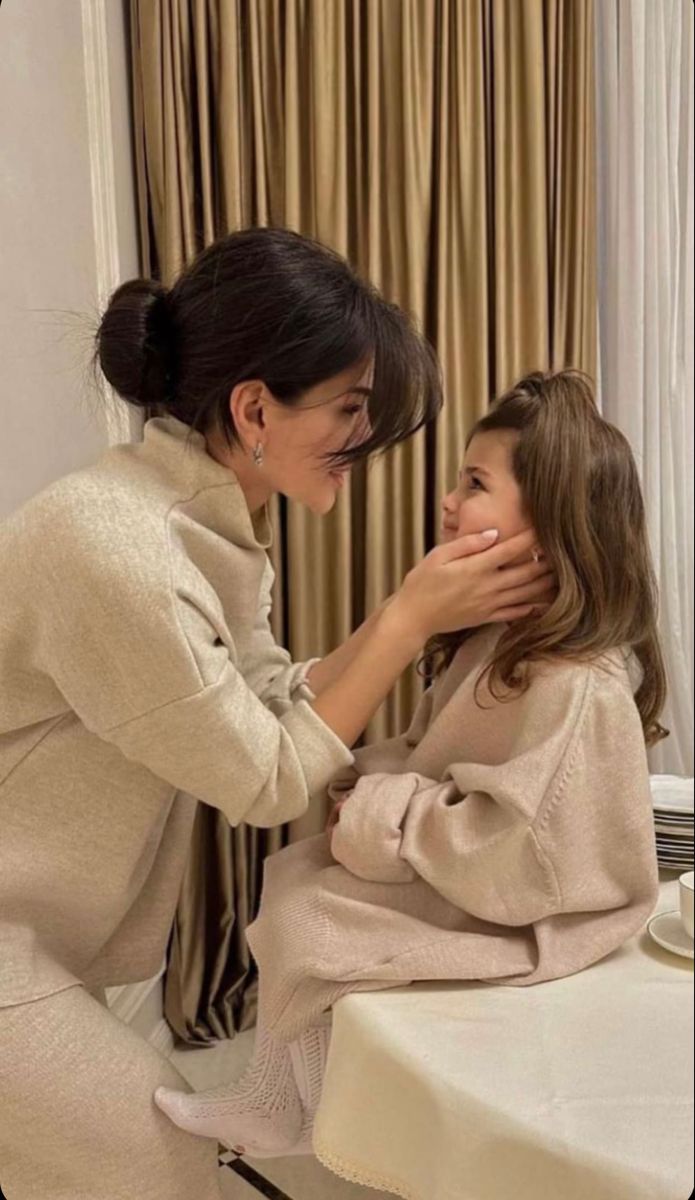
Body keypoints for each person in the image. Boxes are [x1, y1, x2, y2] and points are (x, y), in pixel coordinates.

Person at [0, 228, 552, 1200]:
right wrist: (405, 618)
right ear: (255, 407)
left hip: (46, 927)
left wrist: (404, 622)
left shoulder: (209, 525)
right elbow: (263, 779)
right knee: (162, 1157)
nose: (367, 439)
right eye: (349, 407)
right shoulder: (119, 553)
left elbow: (268, 703)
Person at [156, 369, 665, 1160]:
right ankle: (279, 1098)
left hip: (541, 906)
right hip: (472, 868)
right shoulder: (492, 644)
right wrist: (362, 781)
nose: (449, 502)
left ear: (552, 520)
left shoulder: (574, 685)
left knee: (315, 921)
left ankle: (333, 1124)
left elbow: (517, 848)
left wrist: (378, 814)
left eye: (474, 483)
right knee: (293, 876)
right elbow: (432, 754)